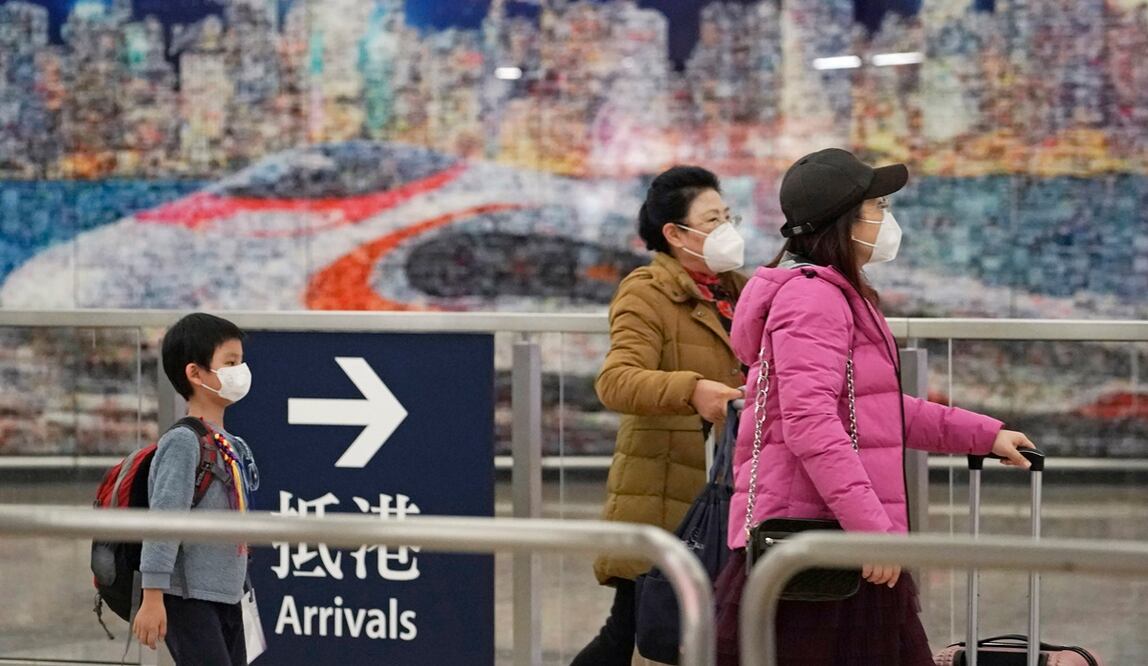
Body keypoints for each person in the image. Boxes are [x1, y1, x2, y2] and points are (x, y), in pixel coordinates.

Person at [714, 149, 1036, 665]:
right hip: (822, 544)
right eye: (877, 207)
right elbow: (811, 424)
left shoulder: (838, 294)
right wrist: (871, 531)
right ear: (843, 221)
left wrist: (983, 434)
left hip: (839, 537)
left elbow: (872, 411)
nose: (885, 220)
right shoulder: (813, 299)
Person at [572, 166, 748, 665]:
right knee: (632, 629)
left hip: (722, 488)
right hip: (663, 488)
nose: (727, 229)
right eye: (712, 219)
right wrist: (692, 390)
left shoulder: (739, 291)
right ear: (675, 234)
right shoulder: (647, 291)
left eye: (728, 216)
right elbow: (617, 380)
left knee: (661, 632)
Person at [133, 313, 259, 665]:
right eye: (230, 363)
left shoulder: (232, 444)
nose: (240, 372)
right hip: (189, 598)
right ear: (195, 373)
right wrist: (153, 595)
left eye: (241, 362)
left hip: (229, 595)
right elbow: (164, 522)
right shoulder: (183, 442)